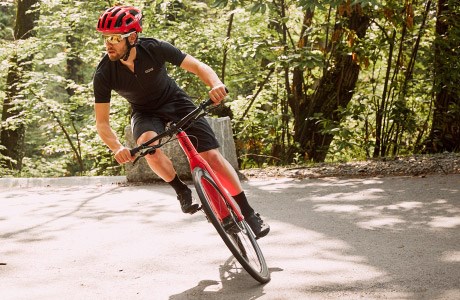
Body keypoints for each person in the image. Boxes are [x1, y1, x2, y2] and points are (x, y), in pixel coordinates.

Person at [93, 5, 269, 238]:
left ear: (132, 37)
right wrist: (118, 148)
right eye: (105, 38)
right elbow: (102, 123)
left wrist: (214, 84)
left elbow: (197, 66)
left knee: (212, 158)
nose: (108, 44)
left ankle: (248, 212)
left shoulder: (154, 48)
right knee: (148, 147)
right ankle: (180, 190)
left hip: (175, 101)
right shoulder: (104, 72)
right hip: (145, 112)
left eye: (115, 38)